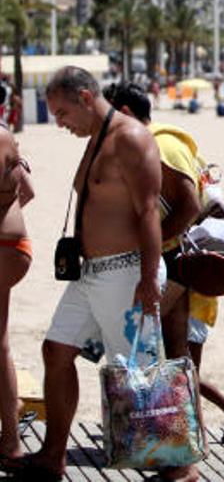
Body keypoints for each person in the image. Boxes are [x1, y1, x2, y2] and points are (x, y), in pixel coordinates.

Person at [28, 66, 166, 480]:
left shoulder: (130, 138)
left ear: (85, 98)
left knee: (139, 374)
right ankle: (53, 456)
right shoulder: (97, 138)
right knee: (56, 351)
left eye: (62, 112)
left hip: (125, 272)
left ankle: (179, 467)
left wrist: (147, 278)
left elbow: (148, 211)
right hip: (91, 274)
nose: (59, 123)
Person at [103, 82, 224, 446]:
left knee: (156, 348)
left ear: (123, 113)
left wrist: (153, 251)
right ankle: (194, 433)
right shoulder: (153, 144)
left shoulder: (161, 144)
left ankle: (172, 434)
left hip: (180, 265)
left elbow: (186, 206)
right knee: (174, 354)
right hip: (182, 264)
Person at [0, 123, 34, 471]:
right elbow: (29, 191)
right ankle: (9, 438)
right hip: (11, 245)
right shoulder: (5, 134)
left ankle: (11, 441)